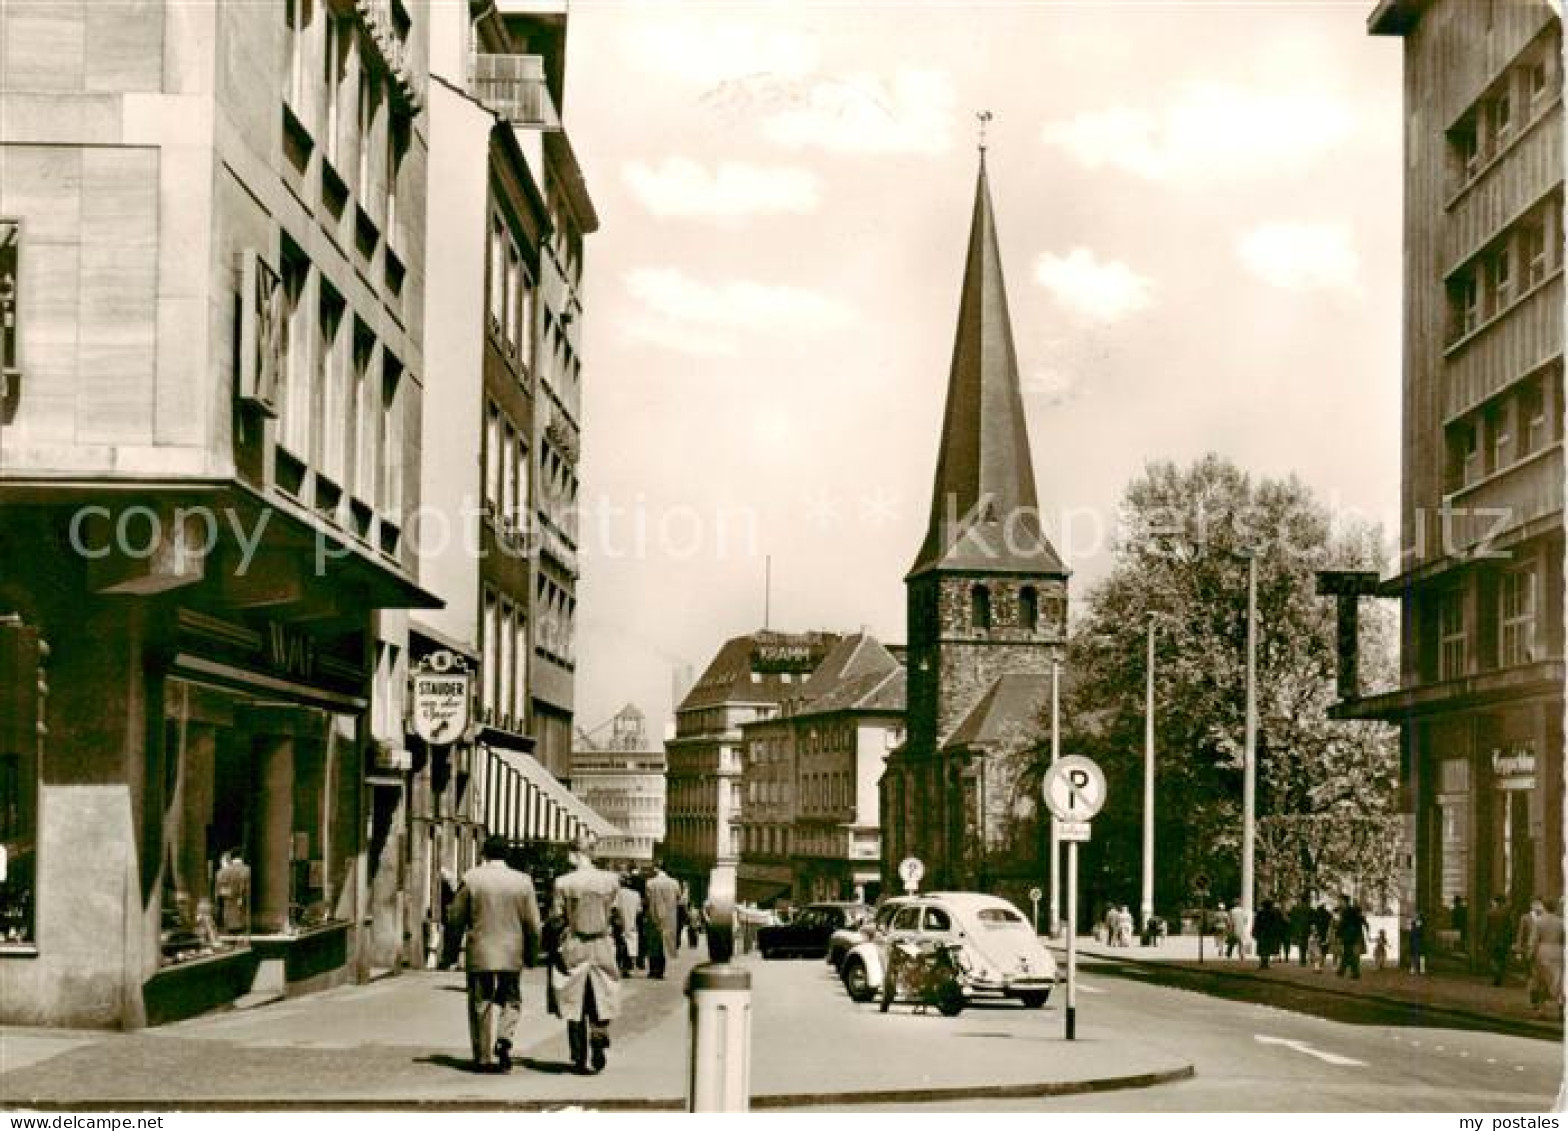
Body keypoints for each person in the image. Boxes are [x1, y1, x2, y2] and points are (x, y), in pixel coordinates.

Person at [446, 835, 541, 1074]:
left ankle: (483, 1057)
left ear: (484, 853)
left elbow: (455, 919)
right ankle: (504, 1037)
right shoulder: (523, 882)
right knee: (511, 998)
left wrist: (449, 952)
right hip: (512, 951)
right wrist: (532, 953)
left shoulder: (471, 879)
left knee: (481, 1002)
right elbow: (533, 924)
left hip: (481, 950)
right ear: (507, 855)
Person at [549, 834, 624, 1074]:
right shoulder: (611, 881)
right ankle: (599, 1034)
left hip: (575, 942)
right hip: (602, 942)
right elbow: (617, 916)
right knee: (602, 992)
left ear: (573, 853)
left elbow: (556, 918)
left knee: (574, 999)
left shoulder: (563, 883)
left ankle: (579, 1054)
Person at [1526, 898, 1565, 1016]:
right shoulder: (1561, 922)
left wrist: (1530, 954)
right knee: (1558, 982)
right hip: (1558, 952)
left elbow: (1533, 940)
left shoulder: (1539, 921)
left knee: (1541, 981)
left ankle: (1541, 1010)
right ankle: (1561, 1008)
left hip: (1542, 951)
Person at [644, 861, 681, 980]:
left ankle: (653, 970)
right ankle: (661, 970)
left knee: (654, 944)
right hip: (669, 918)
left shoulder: (650, 883)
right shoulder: (674, 883)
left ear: (656, 869)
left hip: (654, 916)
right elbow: (679, 897)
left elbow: (647, 898)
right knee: (665, 944)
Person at [214, 850, 250, 934]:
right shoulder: (248, 870)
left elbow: (219, 893)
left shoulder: (221, 873)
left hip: (229, 914)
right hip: (248, 915)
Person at [1334, 893, 1369, 980]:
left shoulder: (1347, 911)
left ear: (1344, 901)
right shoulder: (1350, 910)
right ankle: (1342, 971)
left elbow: (1343, 924)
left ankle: (1354, 973)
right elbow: (1362, 920)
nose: (1338, 903)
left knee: (1350, 954)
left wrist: (1337, 933)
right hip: (1352, 935)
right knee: (1347, 954)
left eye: (1340, 901)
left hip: (1349, 936)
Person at [613, 875, 642, 977]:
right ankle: (628, 967)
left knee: (619, 945)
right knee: (631, 945)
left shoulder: (617, 894)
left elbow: (615, 908)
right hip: (632, 923)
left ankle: (620, 967)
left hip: (620, 923)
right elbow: (639, 911)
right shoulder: (636, 894)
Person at [1484, 894, 1513, 986]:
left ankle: (1497, 973)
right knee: (1502, 959)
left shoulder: (1490, 913)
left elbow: (1486, 928)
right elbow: (1510, 928)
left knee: (1492, 958)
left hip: (1492, 939)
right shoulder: (1507, 914)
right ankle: (1499, 974)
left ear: (1495, 902)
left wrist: (1483, 940)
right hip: (1503, 939)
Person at [1253, 899, 1287, 969]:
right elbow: (1281, 922)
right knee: (1267, 948)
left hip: (1263, 932)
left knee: (1263, 948)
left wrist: (1255, 931)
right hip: (1270, 933)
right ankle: (1264, 963)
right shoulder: (1275, 912)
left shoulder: (1261, 913)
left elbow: (1256, 923)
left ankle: (1264, 963)